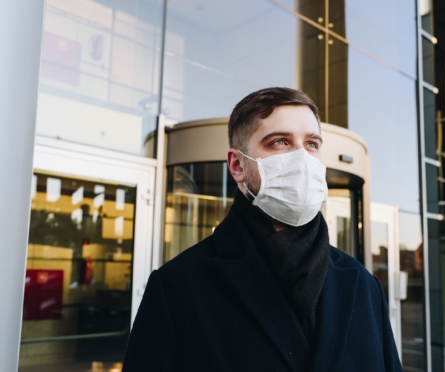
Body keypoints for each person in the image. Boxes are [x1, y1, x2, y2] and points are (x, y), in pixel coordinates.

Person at [122, 87, 402, 372]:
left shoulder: (363, 285)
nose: (303, 159)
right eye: (280, 142)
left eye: (312, 144)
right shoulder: (176, 289)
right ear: (237, 165)